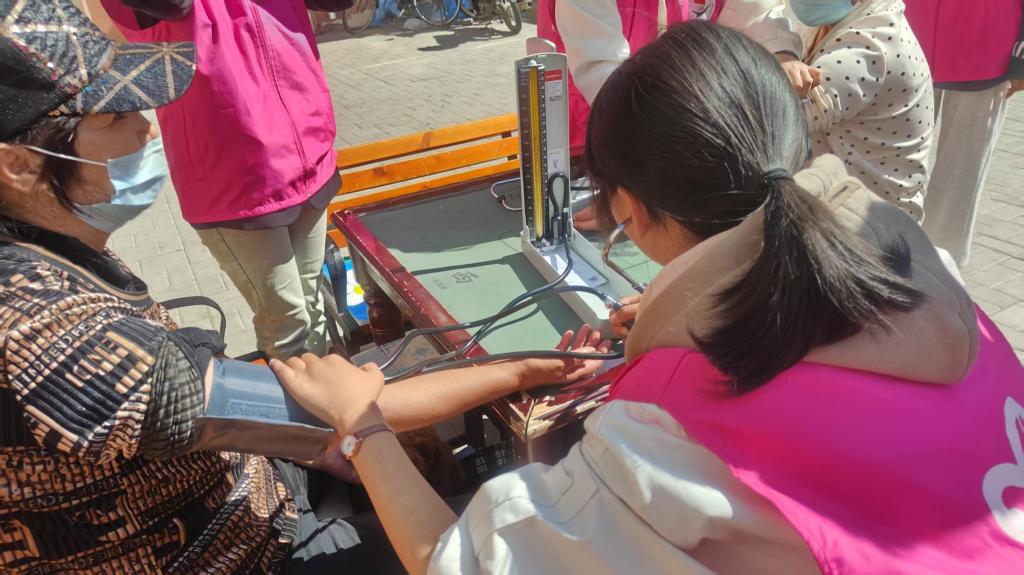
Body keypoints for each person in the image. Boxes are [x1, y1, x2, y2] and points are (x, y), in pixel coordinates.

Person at [273, 22, 1024, 574]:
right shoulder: (935, 278)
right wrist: (705, 317)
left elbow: (462, 560)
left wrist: (363, 425)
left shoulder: (664, 438)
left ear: (629, 210)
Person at [0, 3, 605, 571]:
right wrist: (525, 368)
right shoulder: (51, 338)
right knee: (500, 540)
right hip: (247, 549)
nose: (148, 132)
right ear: (20, 164)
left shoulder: (47, 247)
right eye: (116, 119)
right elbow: (342, 410)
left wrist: (320, 439)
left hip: (250, 472)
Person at [96, 0, 346, 359]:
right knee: (288, 325)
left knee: (313, 306)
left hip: (309, 156)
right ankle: (303, 395)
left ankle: (327, 389)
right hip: (237, 185)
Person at [537, 0, 813, 229]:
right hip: (596, 144)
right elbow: (606, 79)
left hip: (674, 143)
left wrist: (781, 53)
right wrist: (632, 186)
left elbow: (756, 14)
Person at [788, 0, 933, 222]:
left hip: (867, 225)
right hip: (838, 205)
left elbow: (775, 118)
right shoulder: (837, 21)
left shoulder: (868, 48)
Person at [906, 0, 1024, 267]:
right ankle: (891, 247)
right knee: (894, 159)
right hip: (907, 40)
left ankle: (941, 264)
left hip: (987, 47)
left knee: (961, 171)